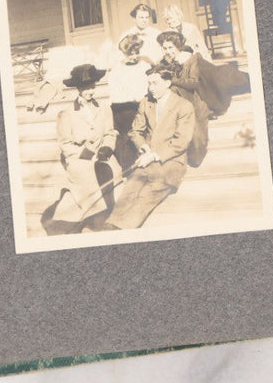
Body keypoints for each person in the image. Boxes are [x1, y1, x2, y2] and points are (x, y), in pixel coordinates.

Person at [102, 66, 196, 229]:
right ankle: (110, 225)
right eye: (149, 84)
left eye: (155, 83)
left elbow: (182, 141)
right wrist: (143, 146)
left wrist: (154, 155)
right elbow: (134, 131)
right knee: (130, 187)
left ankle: (122, 229)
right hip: (147, 158)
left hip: (172, 161)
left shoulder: (184, 106)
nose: (151, 88)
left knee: (148, 193)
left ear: (167, 83)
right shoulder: (146, 103)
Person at [40, 64, 119, 234]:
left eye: (92, 87)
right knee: (86, 173)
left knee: (114, 170)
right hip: (78, 158)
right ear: (78, 89)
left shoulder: (104, 109)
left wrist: (107, 146)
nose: (90, 91)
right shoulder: (66, 113)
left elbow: (110, 133)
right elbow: (65, 144)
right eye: (86, 87)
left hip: (102, 154)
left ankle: (109, 212)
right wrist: (86, 155)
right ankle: (96, 216)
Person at [156, 30, 251, 168]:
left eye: (170, 47)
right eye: (164, 48)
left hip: (201, 91)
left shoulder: (189, 59)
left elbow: (193, 83)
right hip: (181, 98)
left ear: (178, 47)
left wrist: (172, 79)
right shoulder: (164, 62)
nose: (167, 51)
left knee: (224, 78)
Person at [107, 33, 151, 168]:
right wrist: (132, 97)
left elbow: (150, 87)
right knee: (126, 136)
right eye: (130, 54)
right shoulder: (117, 69)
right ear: (124, 53)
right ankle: (129, 168)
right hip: (124, 109)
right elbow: (114, 95)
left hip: (143, 106)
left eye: (136, 53)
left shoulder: (145, 66)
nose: (133, 56)